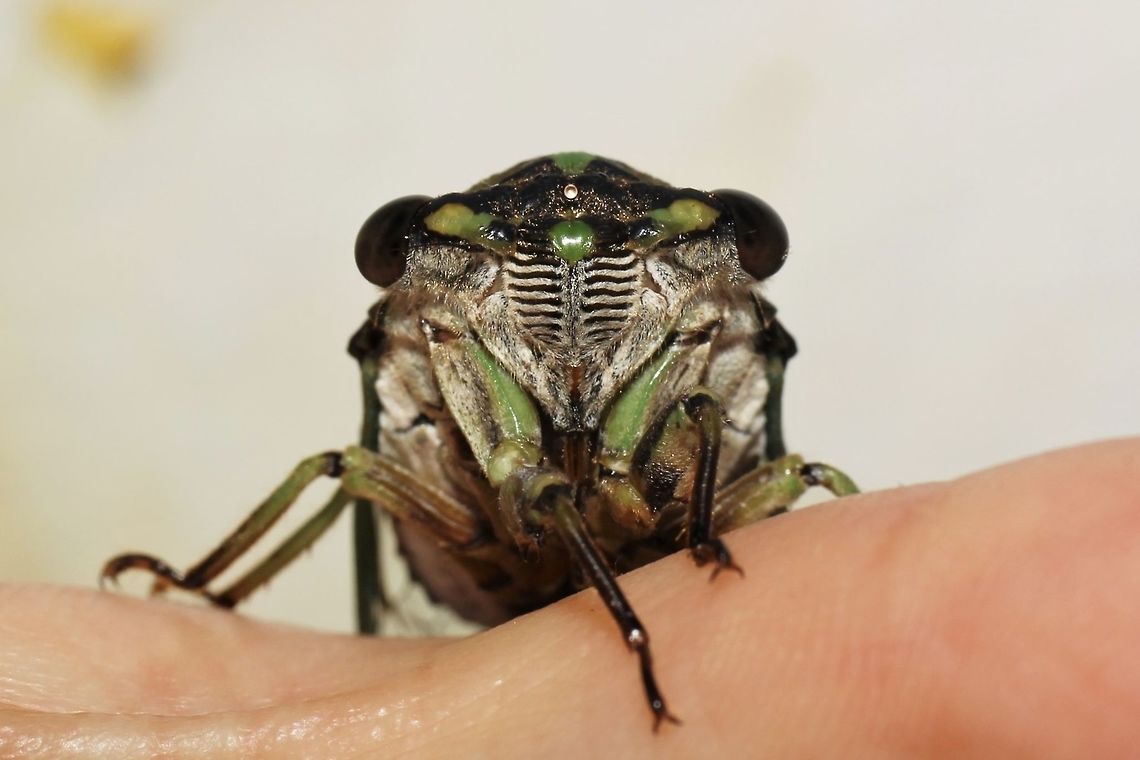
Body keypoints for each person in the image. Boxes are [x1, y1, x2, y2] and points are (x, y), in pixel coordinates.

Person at [2, 440, 1137, 757]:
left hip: (669, 522)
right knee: (343, 470)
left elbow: (769, 465)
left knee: (816, 480)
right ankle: (213, 594)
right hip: (472, 527)